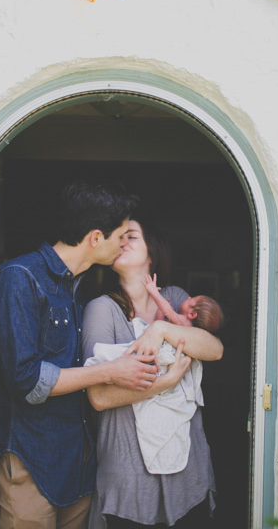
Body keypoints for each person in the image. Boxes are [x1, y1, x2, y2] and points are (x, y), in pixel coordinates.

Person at [0, 181, 161, 529]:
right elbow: (27, 381)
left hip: (76, 458)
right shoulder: (19, 278)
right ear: (95, 238)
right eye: (121, 236)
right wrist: (111, 371)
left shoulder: (79, 287)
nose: (124, 243)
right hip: (29, 458)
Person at [82, 219, 223, 529]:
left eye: (130, 236)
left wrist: (160, 328)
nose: (121, 242)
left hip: (188, 467)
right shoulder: (102, 310)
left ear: (152, 253)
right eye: (117, 236)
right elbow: (99, 397)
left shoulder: (173, 297)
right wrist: (166, 383)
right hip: (129, 474)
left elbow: (214, 349)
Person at [142, 273, 223, 333]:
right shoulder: (192, 331)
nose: (188, 297)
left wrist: (154, 292)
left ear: (192, 314)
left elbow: (167, 311)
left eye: (190, 300)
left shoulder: (184, 322)